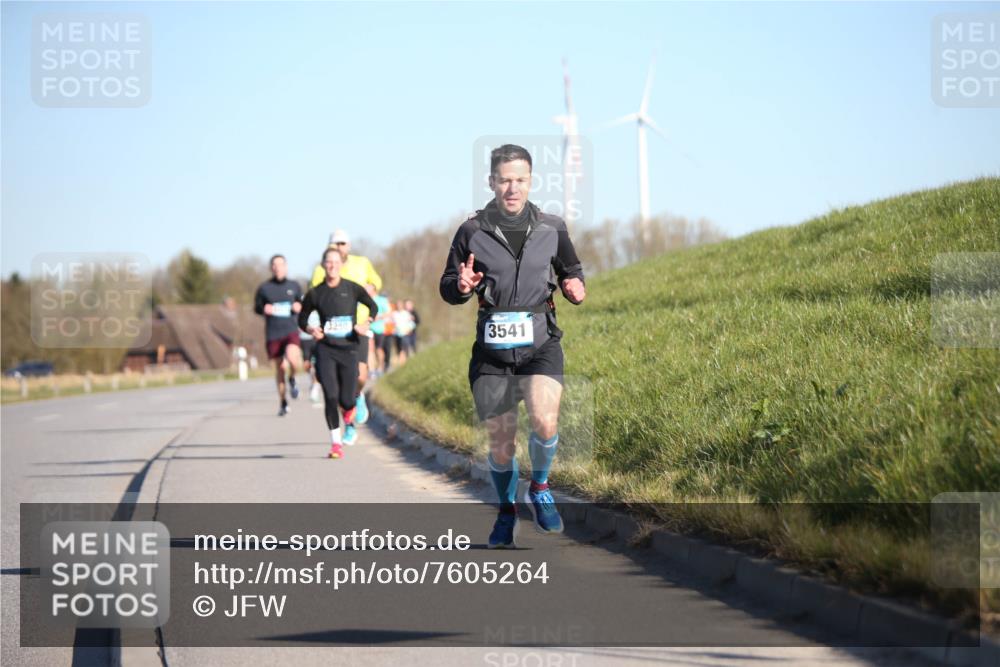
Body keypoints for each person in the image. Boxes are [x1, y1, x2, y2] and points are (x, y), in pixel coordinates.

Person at [439, 144, 586, 548]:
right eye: (504, 179)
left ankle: (539, 486)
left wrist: (575, 285)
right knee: (502, 444)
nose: (512, 187)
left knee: (545, 419)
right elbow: (448, 286)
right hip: (492, 354)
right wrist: (462, 286)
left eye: (520, 179)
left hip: (540, 343)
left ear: (531, 181)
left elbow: (571, 268)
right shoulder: (471, 231)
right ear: (491, 182)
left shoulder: (552, 227)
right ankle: (506, 512)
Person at [299, 247, 379, 458]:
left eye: (336, 261)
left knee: (346, 399)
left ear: (341, 264)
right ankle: (336, 444)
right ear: (323, 265)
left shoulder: (352, 289)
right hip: (325, 349)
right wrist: (310, 329)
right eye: (328, 262)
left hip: (349, 348)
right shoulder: (316, 293)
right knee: (331, 396)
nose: (332, 265)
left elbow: (373, 306)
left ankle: (350, 409)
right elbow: (302, 318)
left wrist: (366, 323)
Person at [311, 230, 381, 426]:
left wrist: (372, 288)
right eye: (336, 244)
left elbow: (376, 281)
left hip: (358, 327)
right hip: (333, 331)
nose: (340, 247)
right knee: (340, 383)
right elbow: (315, 296)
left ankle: (358, 397)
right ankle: (348, 425)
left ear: (348, 246)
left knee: (361, 374)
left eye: (343, 243)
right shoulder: (321, 270)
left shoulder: (362, 263)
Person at [254, 254, 305, 416]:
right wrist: (264, 309)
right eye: (274, 265)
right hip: (273, 333)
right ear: (271, 268)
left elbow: (304, 303)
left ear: (286, 266)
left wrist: (299, 306)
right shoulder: (264, 288)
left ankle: (293, 378)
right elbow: (256, 307)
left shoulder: (295, 286)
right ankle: (283, 402)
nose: (278, 268)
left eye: (281, 264)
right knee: (280, 368)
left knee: (292, 359)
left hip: (290, 330)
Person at [368, 286, 392, 377]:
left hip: (379, 328)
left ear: (374, 289)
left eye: (368, 287)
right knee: (370, 349)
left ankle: (380, 367)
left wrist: (379, 317)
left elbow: (389, 312)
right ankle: (372, 370)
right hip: (369, 327)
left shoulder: (382, 300)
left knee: (378, 349)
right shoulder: (365, 299)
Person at [391, 300, 415, 366]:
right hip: (397, 334)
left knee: (404, 348)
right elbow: (391, 323)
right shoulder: (394, 314)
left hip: (405, 334)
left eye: (400, 305)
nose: (399, 306)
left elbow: (412, 324)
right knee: (399, 349)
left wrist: (409, 330)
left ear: (402, 305)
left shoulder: (406, 313)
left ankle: (405, 362)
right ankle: (402, 363)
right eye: (397, 305)